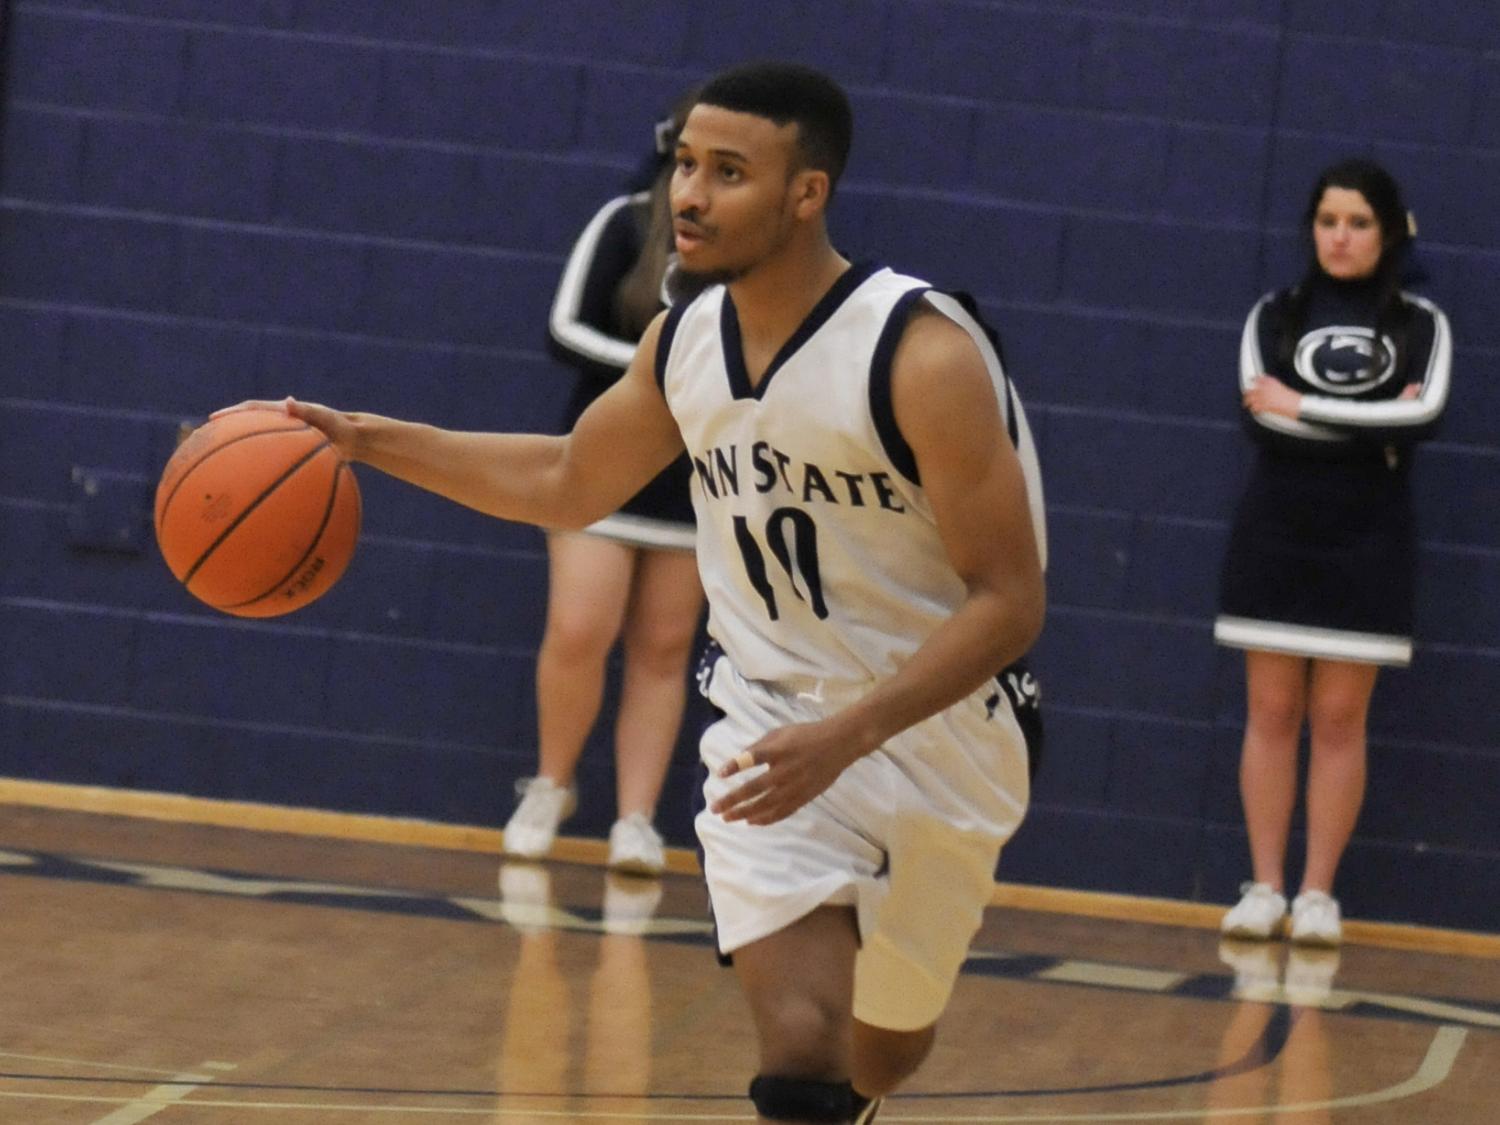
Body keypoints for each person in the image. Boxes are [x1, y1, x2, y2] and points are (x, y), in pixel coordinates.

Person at [217, 61, 1046, 1124]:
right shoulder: (684, 341)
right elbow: (568, 479)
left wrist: (849, 736)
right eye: (685, 166)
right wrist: (369, 442)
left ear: (809, 193)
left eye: (730, 172)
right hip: (768, 719)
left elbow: (1009, 604)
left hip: (941, 731)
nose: (689, 196)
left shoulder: (920, 355)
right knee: (803, 1051)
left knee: (887, 1052)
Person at [1215, 158, 1451, 948]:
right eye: (1327, 221)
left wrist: (1304, 404)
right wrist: (1373, 420)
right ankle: (1266, 887)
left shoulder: (1421, 325)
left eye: (1357, 223)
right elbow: (1260, 417)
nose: (1340, 237)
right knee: (1272, 711)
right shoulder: (1273, 315)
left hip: (1369, 543)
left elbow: (1426, 418)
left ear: (1386, 232)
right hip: (1275, 535)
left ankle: (1318, 894)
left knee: (1342, 716)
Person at [503, 98, 705, 876]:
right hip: (602, 468)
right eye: (694, 159)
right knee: (580, 629)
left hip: (691, 481)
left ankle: (636, 819)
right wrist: (657, 374)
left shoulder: (755, 250)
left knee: (663, 646)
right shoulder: (624, 222)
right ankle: (550, 785)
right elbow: (563, 328)